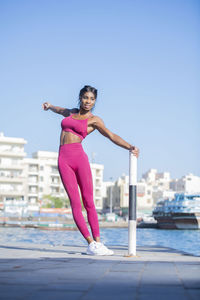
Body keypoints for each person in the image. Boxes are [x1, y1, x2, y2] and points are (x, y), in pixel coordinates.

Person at [42, 85, 139, 256]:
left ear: (94, 101)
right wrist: (49, 106)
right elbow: (59, 110)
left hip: (80, 159)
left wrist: (129, 146)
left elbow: (111, 135)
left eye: (92, 99)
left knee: (89, 202)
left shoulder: (94, 120)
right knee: (74, 202)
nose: (88, 101)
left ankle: (98, 242)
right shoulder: (70, 113)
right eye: (86, 97)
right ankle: (90, 243)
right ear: (80, 97)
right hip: (63, 159)